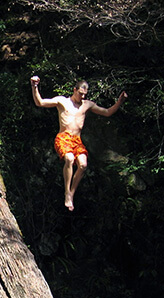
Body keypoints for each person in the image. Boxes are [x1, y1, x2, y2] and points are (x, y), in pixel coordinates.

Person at [31, 75, 127, 211]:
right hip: (63, 137)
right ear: (75, 90)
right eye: (80, 94)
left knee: (83, 164)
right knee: (69, 158)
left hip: (77, 140)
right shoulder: (62, 101)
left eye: (84, 95)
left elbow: (107, 112)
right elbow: (39, 102)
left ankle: (71, 193)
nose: (82, 97)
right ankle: (66, 193)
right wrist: (34, 86)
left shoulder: (87, 105)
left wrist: (120, 101)